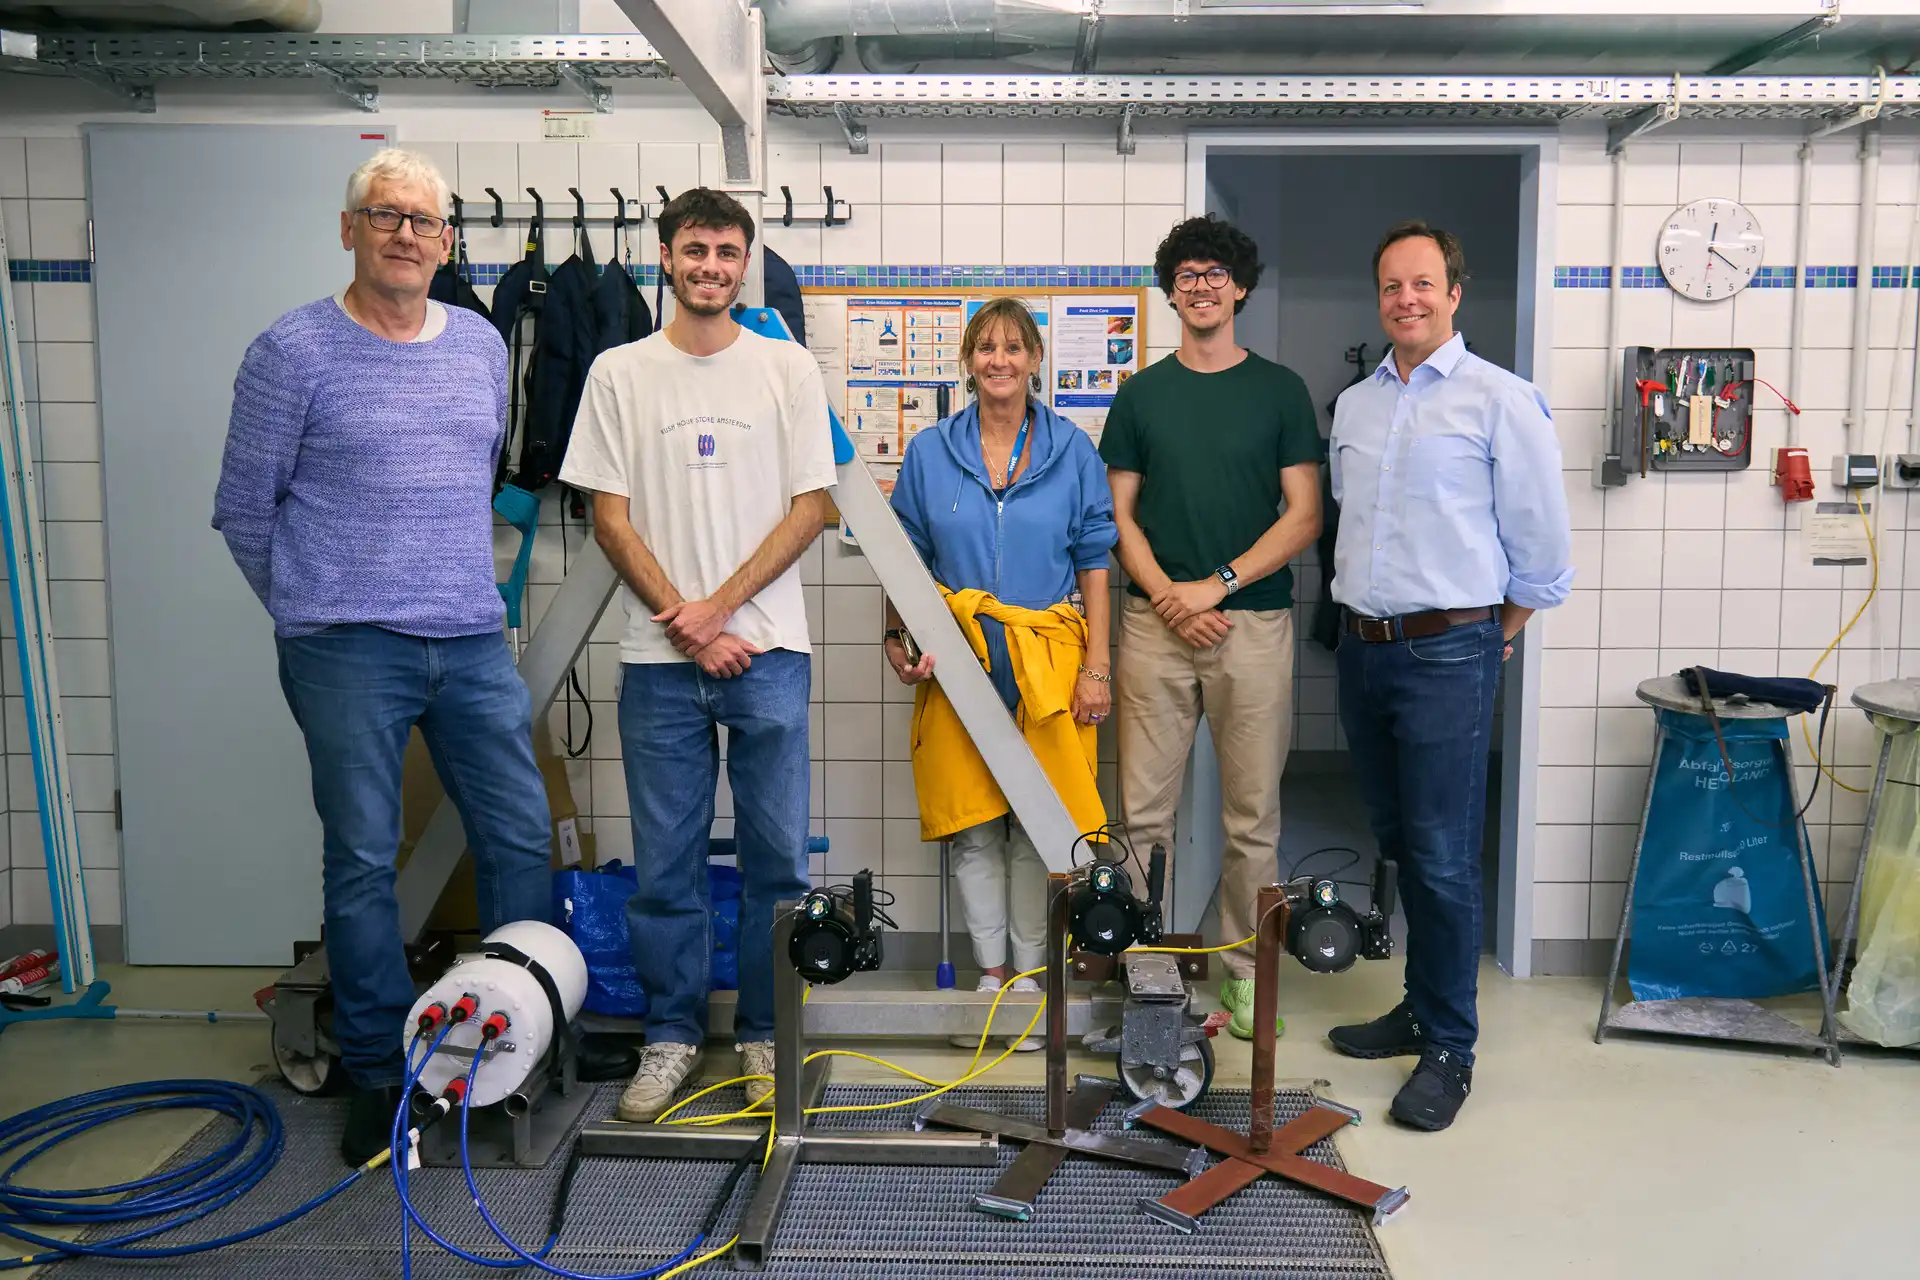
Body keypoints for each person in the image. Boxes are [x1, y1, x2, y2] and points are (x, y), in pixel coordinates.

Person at [212, 149, 556, 1167]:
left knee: (518, 829)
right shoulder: (291, 352)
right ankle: (377, 1070)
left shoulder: (481, 346)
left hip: (466, 632)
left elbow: (468, 482)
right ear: (350, 227)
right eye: (386, 215)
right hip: (345, 645)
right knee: (362, 857)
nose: (407, 234)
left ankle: (512, 1037)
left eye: (425, 221)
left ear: (448, 241)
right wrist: (311, 609)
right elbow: (242, 510)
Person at [558, 188, 836, 1122]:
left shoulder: (787, 370)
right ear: (666, 257)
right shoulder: (618, 373)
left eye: (726, 251)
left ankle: (764, 1037)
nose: (711, 265)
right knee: (665, 864)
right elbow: (608, 514)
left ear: (742, 263)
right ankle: (670, 1039)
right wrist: (686, 618)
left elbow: (813, 506)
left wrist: (720, 611)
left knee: (776, 866)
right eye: (695, 249)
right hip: (659, 661)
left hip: (769, 654)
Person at [1327, 221, 1572, 1132]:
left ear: (1454, 292)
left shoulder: (1501, 400)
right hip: (1365, 650)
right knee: (1397, 837)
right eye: (1392, 286)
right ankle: (1418, 1007)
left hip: (1447, 652)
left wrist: (1488, 634)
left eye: (1423, 283)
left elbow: (1541, 552)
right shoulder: (1357, 406)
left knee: (1441, 853)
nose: (1407, 300)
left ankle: (1451, 1047)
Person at [1100, 215, 1323, 1041]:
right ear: (1171, 291)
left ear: (1241, 288)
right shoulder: (1142, 394)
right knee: (1139, 818)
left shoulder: (1280, 390)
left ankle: (1243, 980)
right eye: (1186, 274)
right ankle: (1143, 971)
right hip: (1154, 626)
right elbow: (1117, 513)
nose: (1201, 286)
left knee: (1251, 817)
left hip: (1251, 625)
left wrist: (1217, 586)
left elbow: (1304, 516)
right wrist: (1169, 597)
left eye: (1215, 273)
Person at [883, 298, 1117, 1048]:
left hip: (1049, 657)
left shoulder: (1072, 451)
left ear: (1036, 358)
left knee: (1037, 827)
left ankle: (1032, 975)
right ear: (967, 360)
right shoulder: (930, 452)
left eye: (1014, 346)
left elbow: (1094, 561)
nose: (1000, 360)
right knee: (974, 823)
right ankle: (989, 976)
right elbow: (906, 556)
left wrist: (1098, 669)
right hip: (959, 656)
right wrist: (894, 634)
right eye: (985, 346)